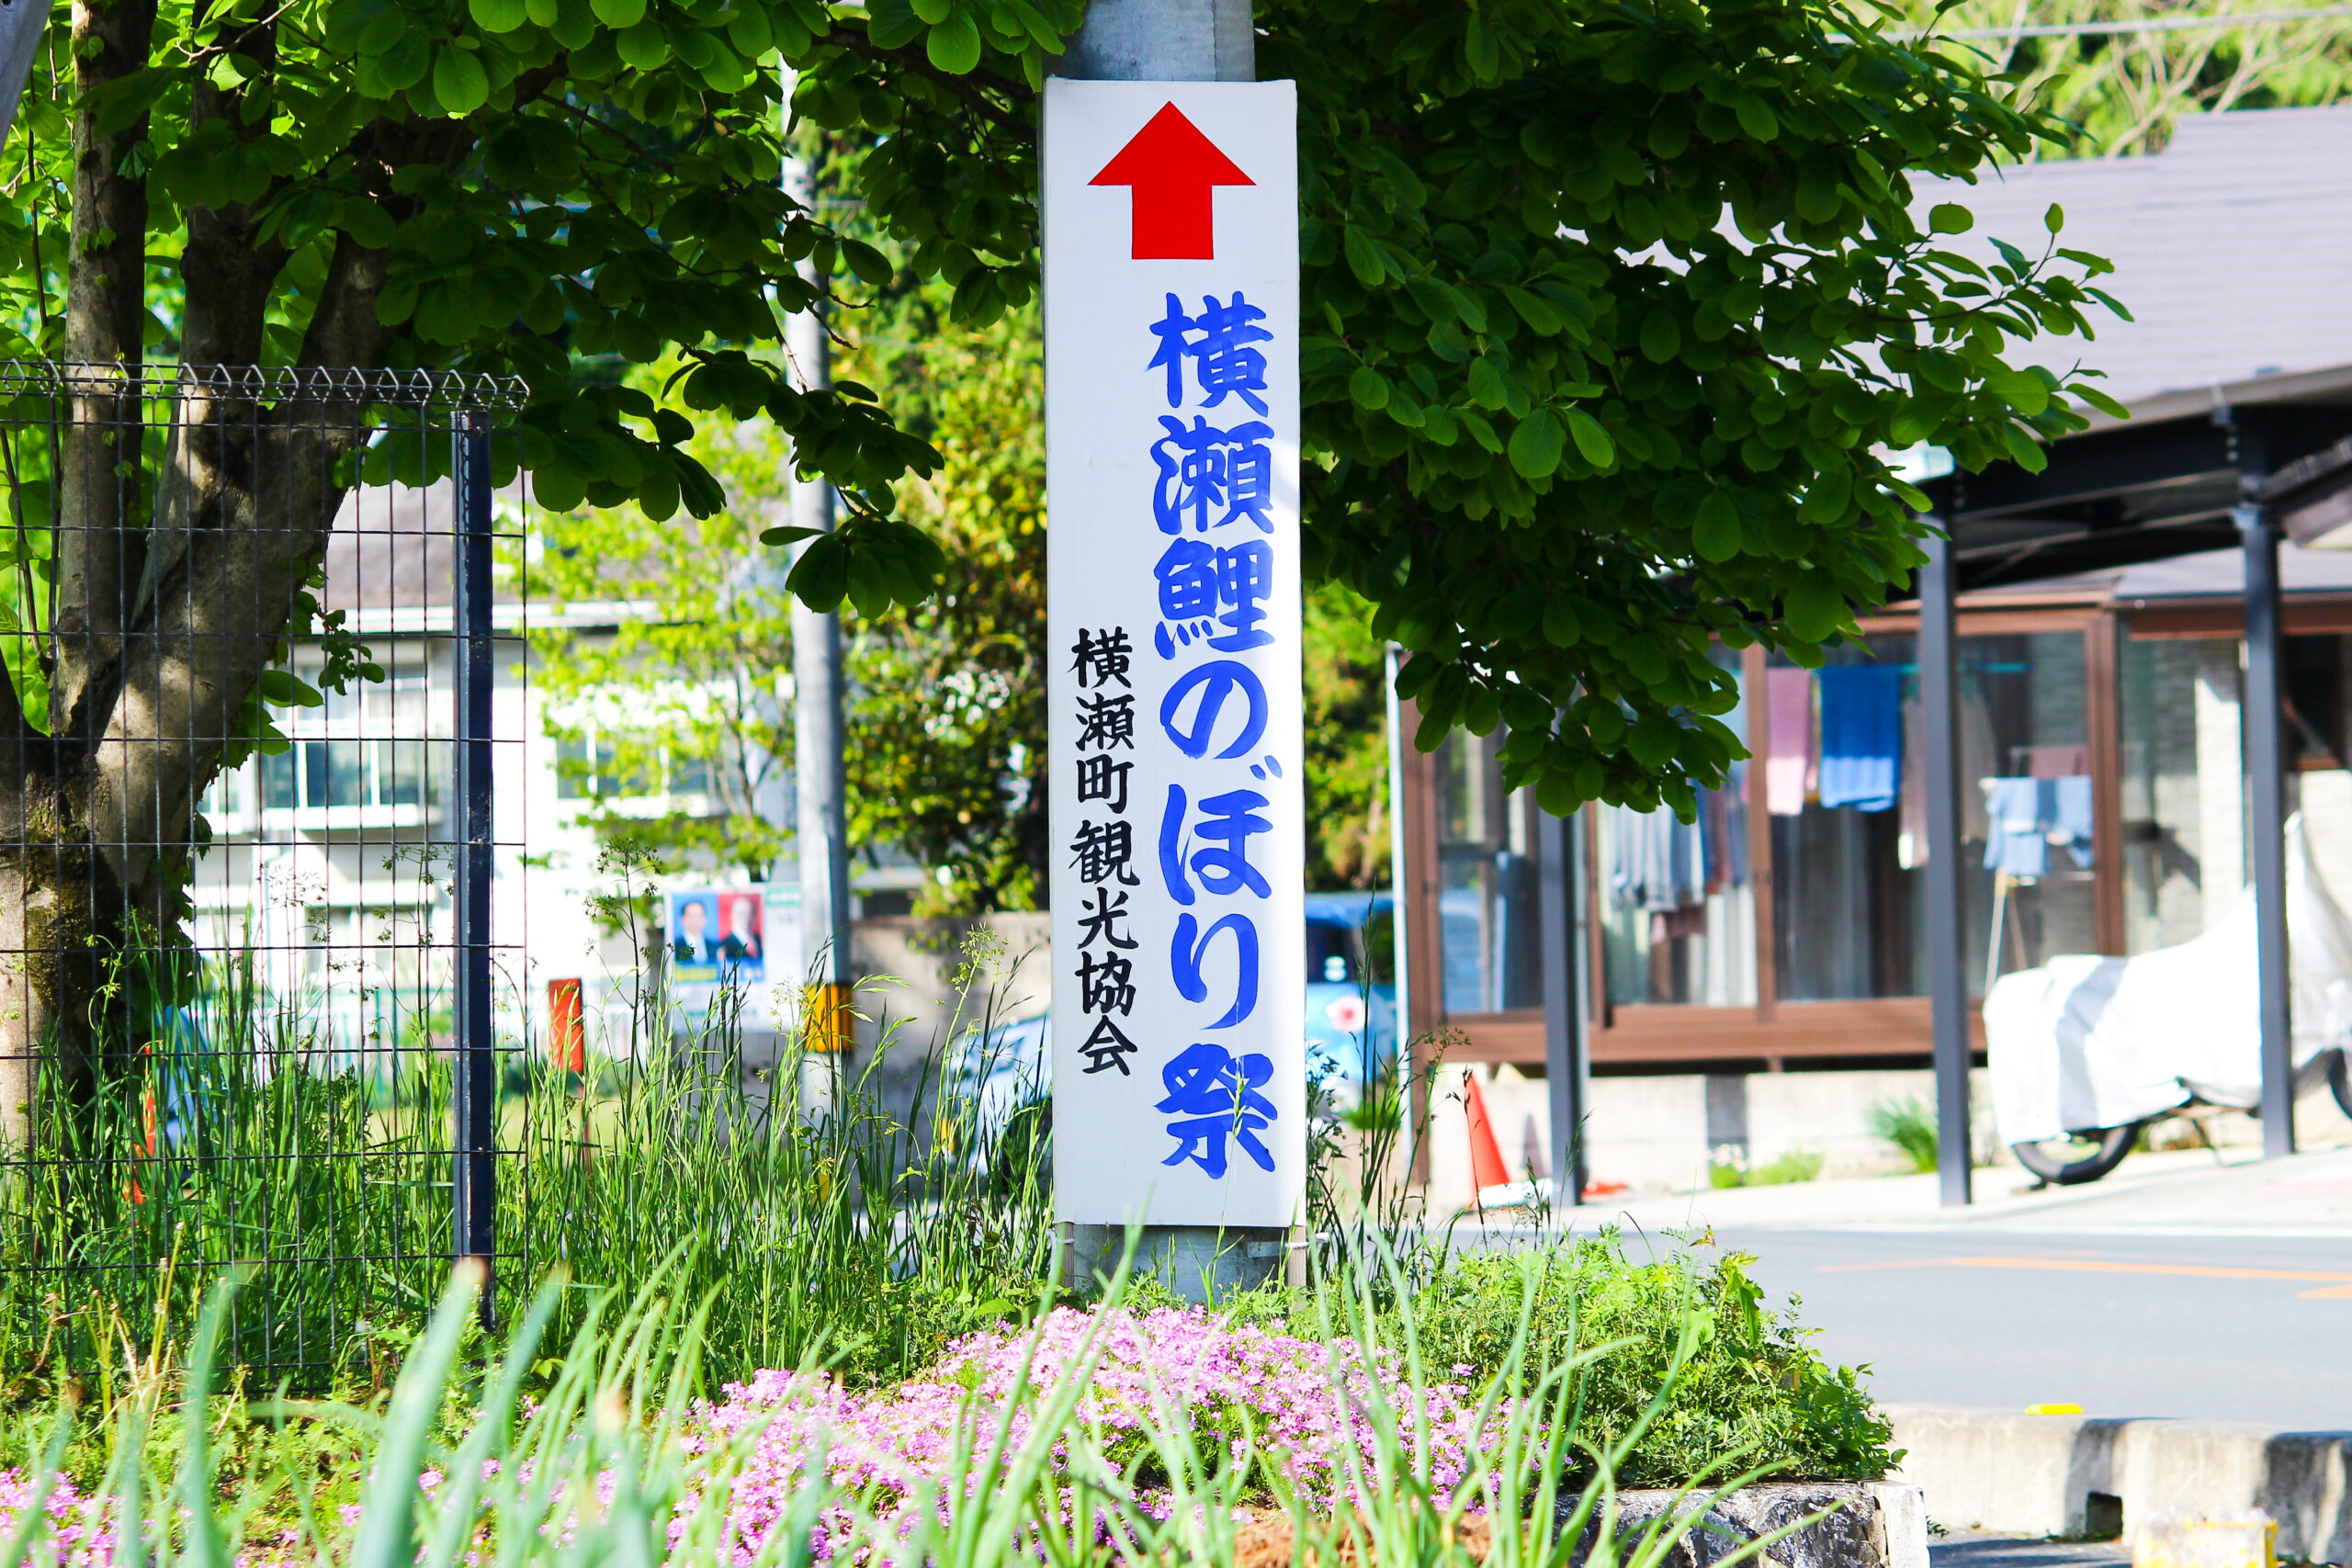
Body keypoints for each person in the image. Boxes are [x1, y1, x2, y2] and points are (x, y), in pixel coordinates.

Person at [673, 897, 721, 964]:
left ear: (705, 919)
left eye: (698, 916)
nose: (695, 920)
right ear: (682, 919)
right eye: (691, 916)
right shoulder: (674, 947)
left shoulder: (714, 946)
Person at [721, 896, 763, 963]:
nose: (747, 917)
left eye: (750, 913)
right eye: (741, 913)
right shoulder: (725, 946)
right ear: (732, 915)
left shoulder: (761, 940)